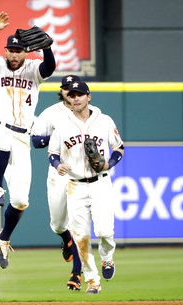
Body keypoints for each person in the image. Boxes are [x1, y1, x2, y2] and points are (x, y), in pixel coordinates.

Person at [0, 11, 56, 269]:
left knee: (20, 200)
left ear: (25, 53)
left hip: (22, 138)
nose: (13, 54)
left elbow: (49, 68)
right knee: (3, 142)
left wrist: (48, 48)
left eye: (18, 51)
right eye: (10, 50)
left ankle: (4, 238)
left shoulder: (33, 69)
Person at [47, 81, 124, 294]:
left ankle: (107, 258)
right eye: (72, 95)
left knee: (104, 232)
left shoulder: (105, 121)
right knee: (80, 237)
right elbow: (52, 152)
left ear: (88, 97)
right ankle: (92, 281)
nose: (76, 98)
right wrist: (57, 164)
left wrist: (109, 163)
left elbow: (119, 147)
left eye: (80, 94)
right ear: (68, 99)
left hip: (101, 183)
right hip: (75, 186)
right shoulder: (62, 125)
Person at [31, 75, 84, 290]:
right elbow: (35, 140)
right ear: (62, 92)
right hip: (58, 173)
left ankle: (76, 274)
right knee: (58, 224)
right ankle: (65, 239)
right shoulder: (51, 113)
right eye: (67, 90)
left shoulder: (89, 114)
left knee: (78, 225)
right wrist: (55, 137)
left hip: (81, 175)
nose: (71, 94)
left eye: (75, 90)